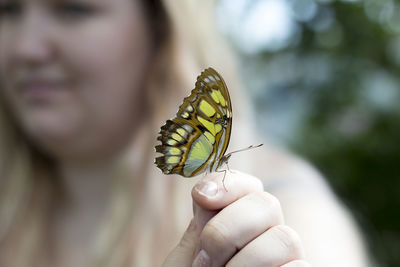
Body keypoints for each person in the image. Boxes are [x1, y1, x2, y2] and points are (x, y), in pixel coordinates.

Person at [0, 0, 369, 266]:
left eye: (74, 9)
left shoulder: (289, 206)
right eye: (7, 9)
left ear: (162, 29)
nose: (26, 48)